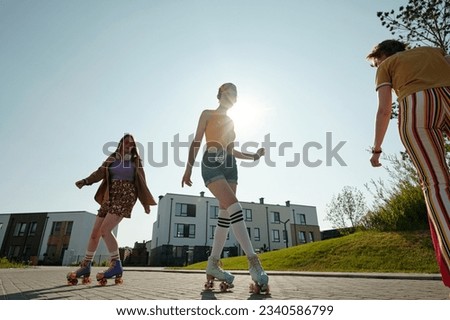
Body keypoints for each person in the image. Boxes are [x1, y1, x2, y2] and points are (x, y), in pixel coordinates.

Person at [366, 39, 450, 288]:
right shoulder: (435, 52)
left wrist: (377, 150)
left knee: (436, 183)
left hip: (416, 107)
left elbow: (384, 110)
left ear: (382, 55)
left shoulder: (387, 64)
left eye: (375, 63)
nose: (376, 66)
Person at [181, 83, 269, 293]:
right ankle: (253, 262)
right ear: (220, 95)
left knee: (226, 215)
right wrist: (188, 169)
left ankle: (213, 263)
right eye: (227, 93)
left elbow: (232, 151)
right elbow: (196, 141)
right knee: (235, 207)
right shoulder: (207, 114)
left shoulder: (231, 121)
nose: (231, 97)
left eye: (234, 94)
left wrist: (254, 156)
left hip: (230, 167)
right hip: (211, 162)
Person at [67, 133, 157, 285]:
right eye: (127, 143)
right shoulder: (112, 158)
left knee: (105, 230)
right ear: (121, 144)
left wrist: (145, 203)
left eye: (132, 144)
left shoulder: (136, 161)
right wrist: (86, 181)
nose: (130, 145)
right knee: (95, 234)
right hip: (110, 196)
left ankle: (116, 265)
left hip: (126, 196)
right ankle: (86, 266)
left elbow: (142, 182)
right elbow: (99, 173)